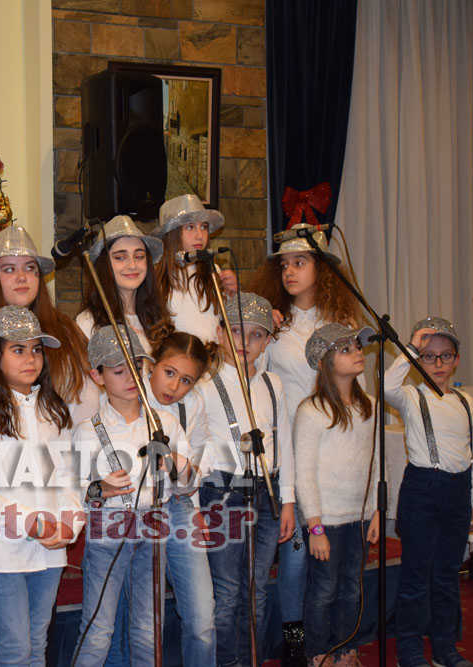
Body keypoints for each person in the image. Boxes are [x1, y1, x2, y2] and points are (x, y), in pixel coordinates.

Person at [248, 224, 361, 662]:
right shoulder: (275, 326)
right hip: (290, 457)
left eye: (300, 262)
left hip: (334, 458)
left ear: (322, 269)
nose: (290, 272)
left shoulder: (342, 325)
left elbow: (354, 394)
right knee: (295, 560)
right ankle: (297, 646)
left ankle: (334, 644)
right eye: (285, 265)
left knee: (336, 566)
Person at [0, 305, 82, 667]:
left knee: (37, 643)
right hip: (3, 549)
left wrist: (71, 522)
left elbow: (68, 477)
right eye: (18, 349)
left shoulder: (53, 412)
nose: (30, 358)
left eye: (36, 349)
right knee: (15, 649)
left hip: (50, 547)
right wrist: (30, 522)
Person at [73, 325, 190, 666]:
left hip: (153, 527)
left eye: (136, 367)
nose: (130, 377)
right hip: (108, 529)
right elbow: (74, 492)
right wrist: (101, 488)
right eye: (117, 370)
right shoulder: (87, 430)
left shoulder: (165, 423)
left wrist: (176, 463)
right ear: (97, 376)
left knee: (148, 628)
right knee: (98, 629)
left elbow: (189, 485)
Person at [196, 292, 295, 665]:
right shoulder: (205, 385)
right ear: (221, 333)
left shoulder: (273, 383)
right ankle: (228, 661)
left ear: (267, 341)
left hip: (267, 492)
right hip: (223, 493)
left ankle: (251, 658)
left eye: (257, 335)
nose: (246, 342)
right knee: (227, 591)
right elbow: (197, 445)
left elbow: (284, 443)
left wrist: (288, 500)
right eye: (237, 331)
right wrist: (197, 505)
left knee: (257, 589)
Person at [385, 318, 473, 667]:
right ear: (419, 361)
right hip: (422, 490)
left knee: (446, 575)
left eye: (446, 356)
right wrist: (411, 347)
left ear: (457, 359)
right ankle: (409, 650)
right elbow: (386, 385)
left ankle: (445, 647)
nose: (438, 363)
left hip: (458, 492)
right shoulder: (411, 397)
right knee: (416, 575)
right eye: (429, 356)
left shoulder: (466, 401)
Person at [0, 224, 96, 424]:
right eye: (9, 269)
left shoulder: (64, 330)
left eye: (30, 268)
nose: (22, 277)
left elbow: (86, 401)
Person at [294, 324, 380, 667]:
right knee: (323, 590)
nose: (358, 352)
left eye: (357, 347)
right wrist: (315, 526)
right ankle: (317, 650)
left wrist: (376, 511)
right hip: (325, 520)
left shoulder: (369, 406)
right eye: (346, 349)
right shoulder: (311, 410)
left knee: (352, 589)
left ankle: (346, 648)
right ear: (325, 362)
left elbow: (376, 463)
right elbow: (304, 474)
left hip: (359, 517)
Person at [146, 325, 218, 666]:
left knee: (203, 618)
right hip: (138, 509)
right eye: (169, 373)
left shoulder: (194, 404)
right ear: (152, 365)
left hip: (180, 505)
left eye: (186, 380)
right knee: (144, 621)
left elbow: (196, 462)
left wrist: (196, 508)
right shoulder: (130, 394)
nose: (174, 387)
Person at [75, 214, 168, 353]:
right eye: (120, 257)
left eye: (139, 256)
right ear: (104, 264)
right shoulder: (88, 322)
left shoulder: (158, 318)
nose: (132, 265)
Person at [152, 194, 237, 344]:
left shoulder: (213, 271)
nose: (199, 236)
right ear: (172, 234)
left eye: (204, 227)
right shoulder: (156, 277)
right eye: (190, 227)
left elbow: (225, 321)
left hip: (213, 353)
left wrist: (232, 294)